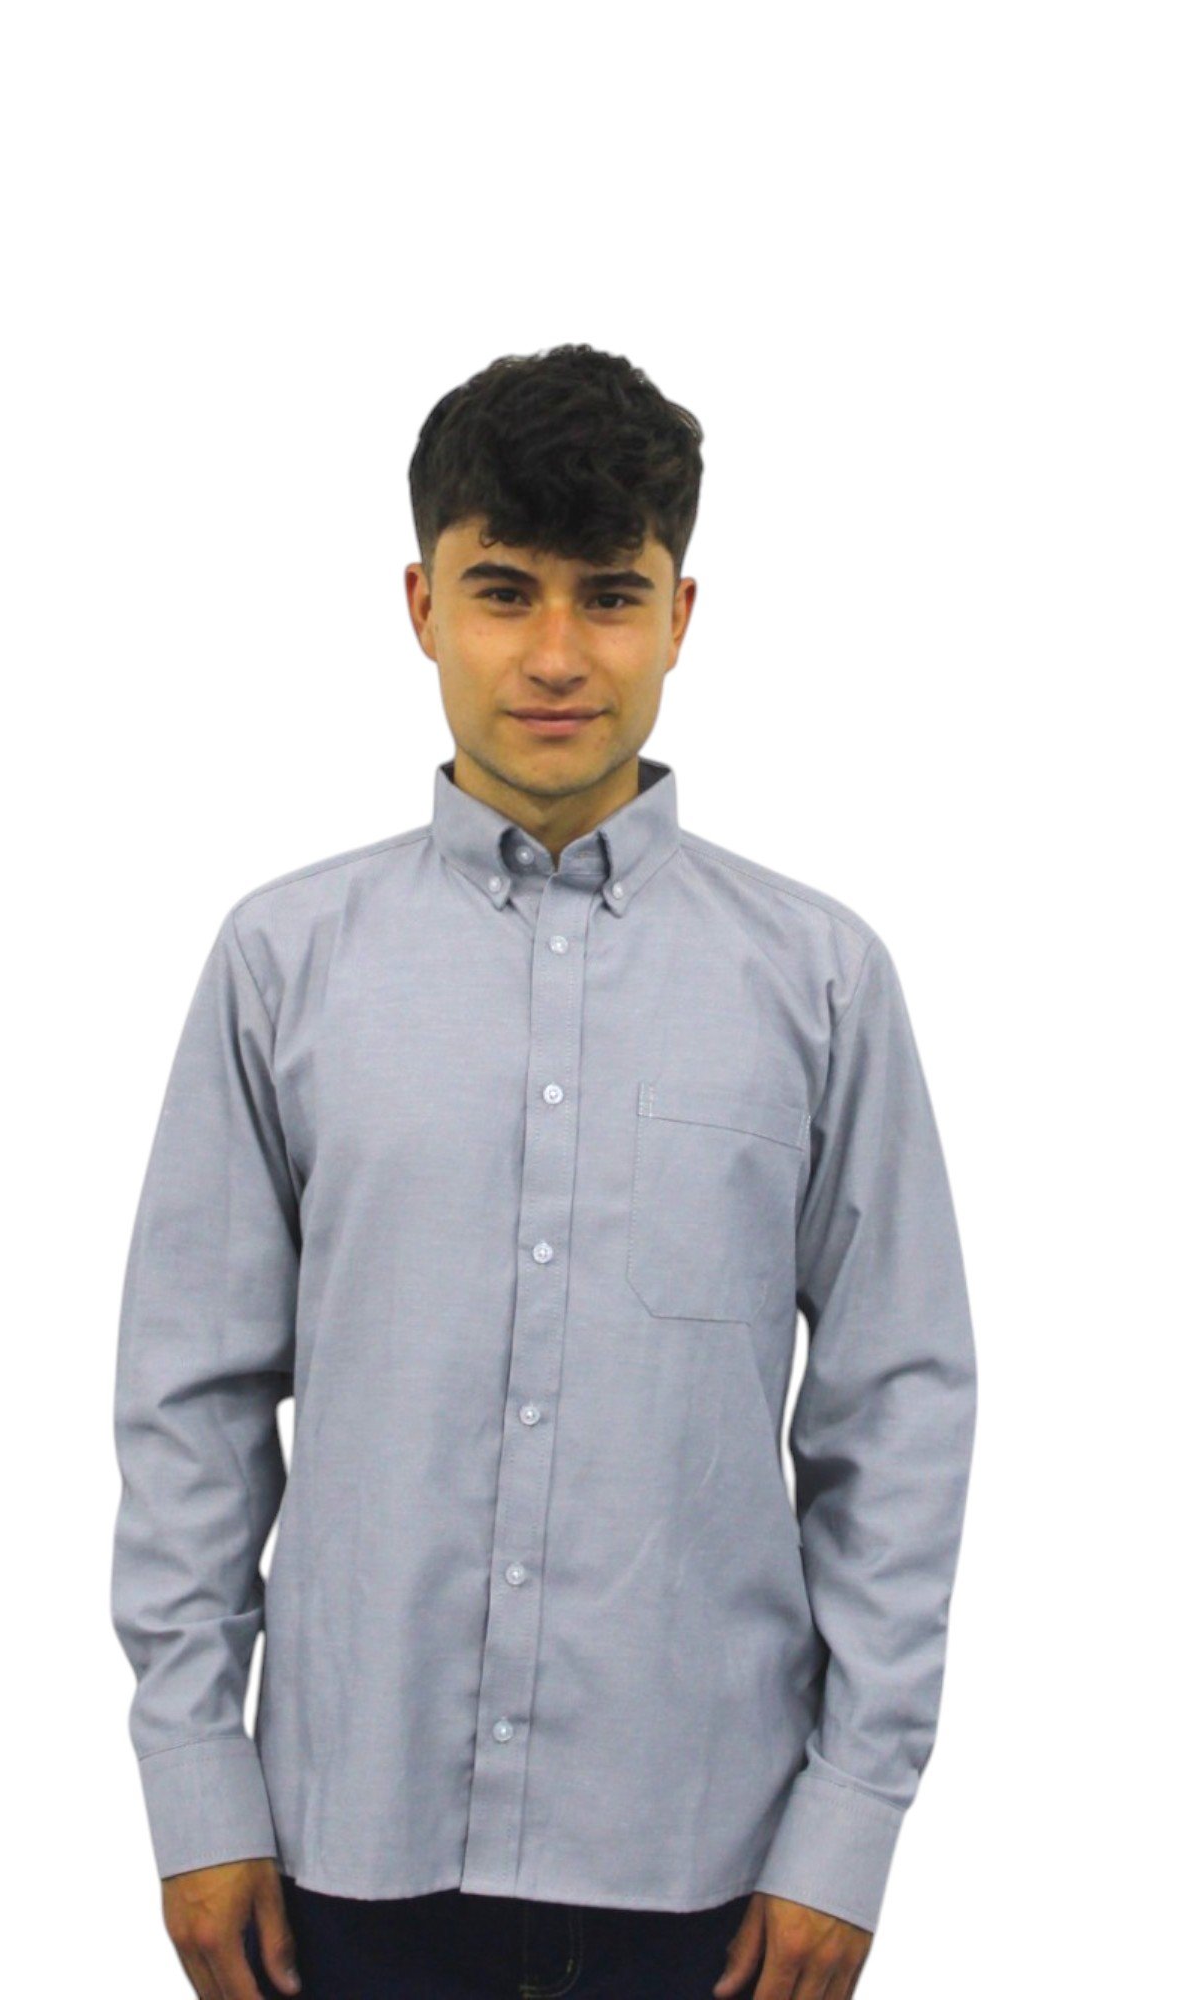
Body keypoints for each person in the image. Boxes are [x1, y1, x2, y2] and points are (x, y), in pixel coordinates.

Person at [110, 342, 977, 2000]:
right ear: (421, 604)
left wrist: (851, 1815)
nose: (559, 654)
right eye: (504, 590)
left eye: (611, 595)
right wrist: (193, 1780)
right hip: (342, 1845)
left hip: (707, 1864)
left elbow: (896, 1412)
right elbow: (189, 1401)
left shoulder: (818, 981)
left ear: (682, 615)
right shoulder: (283, 963)